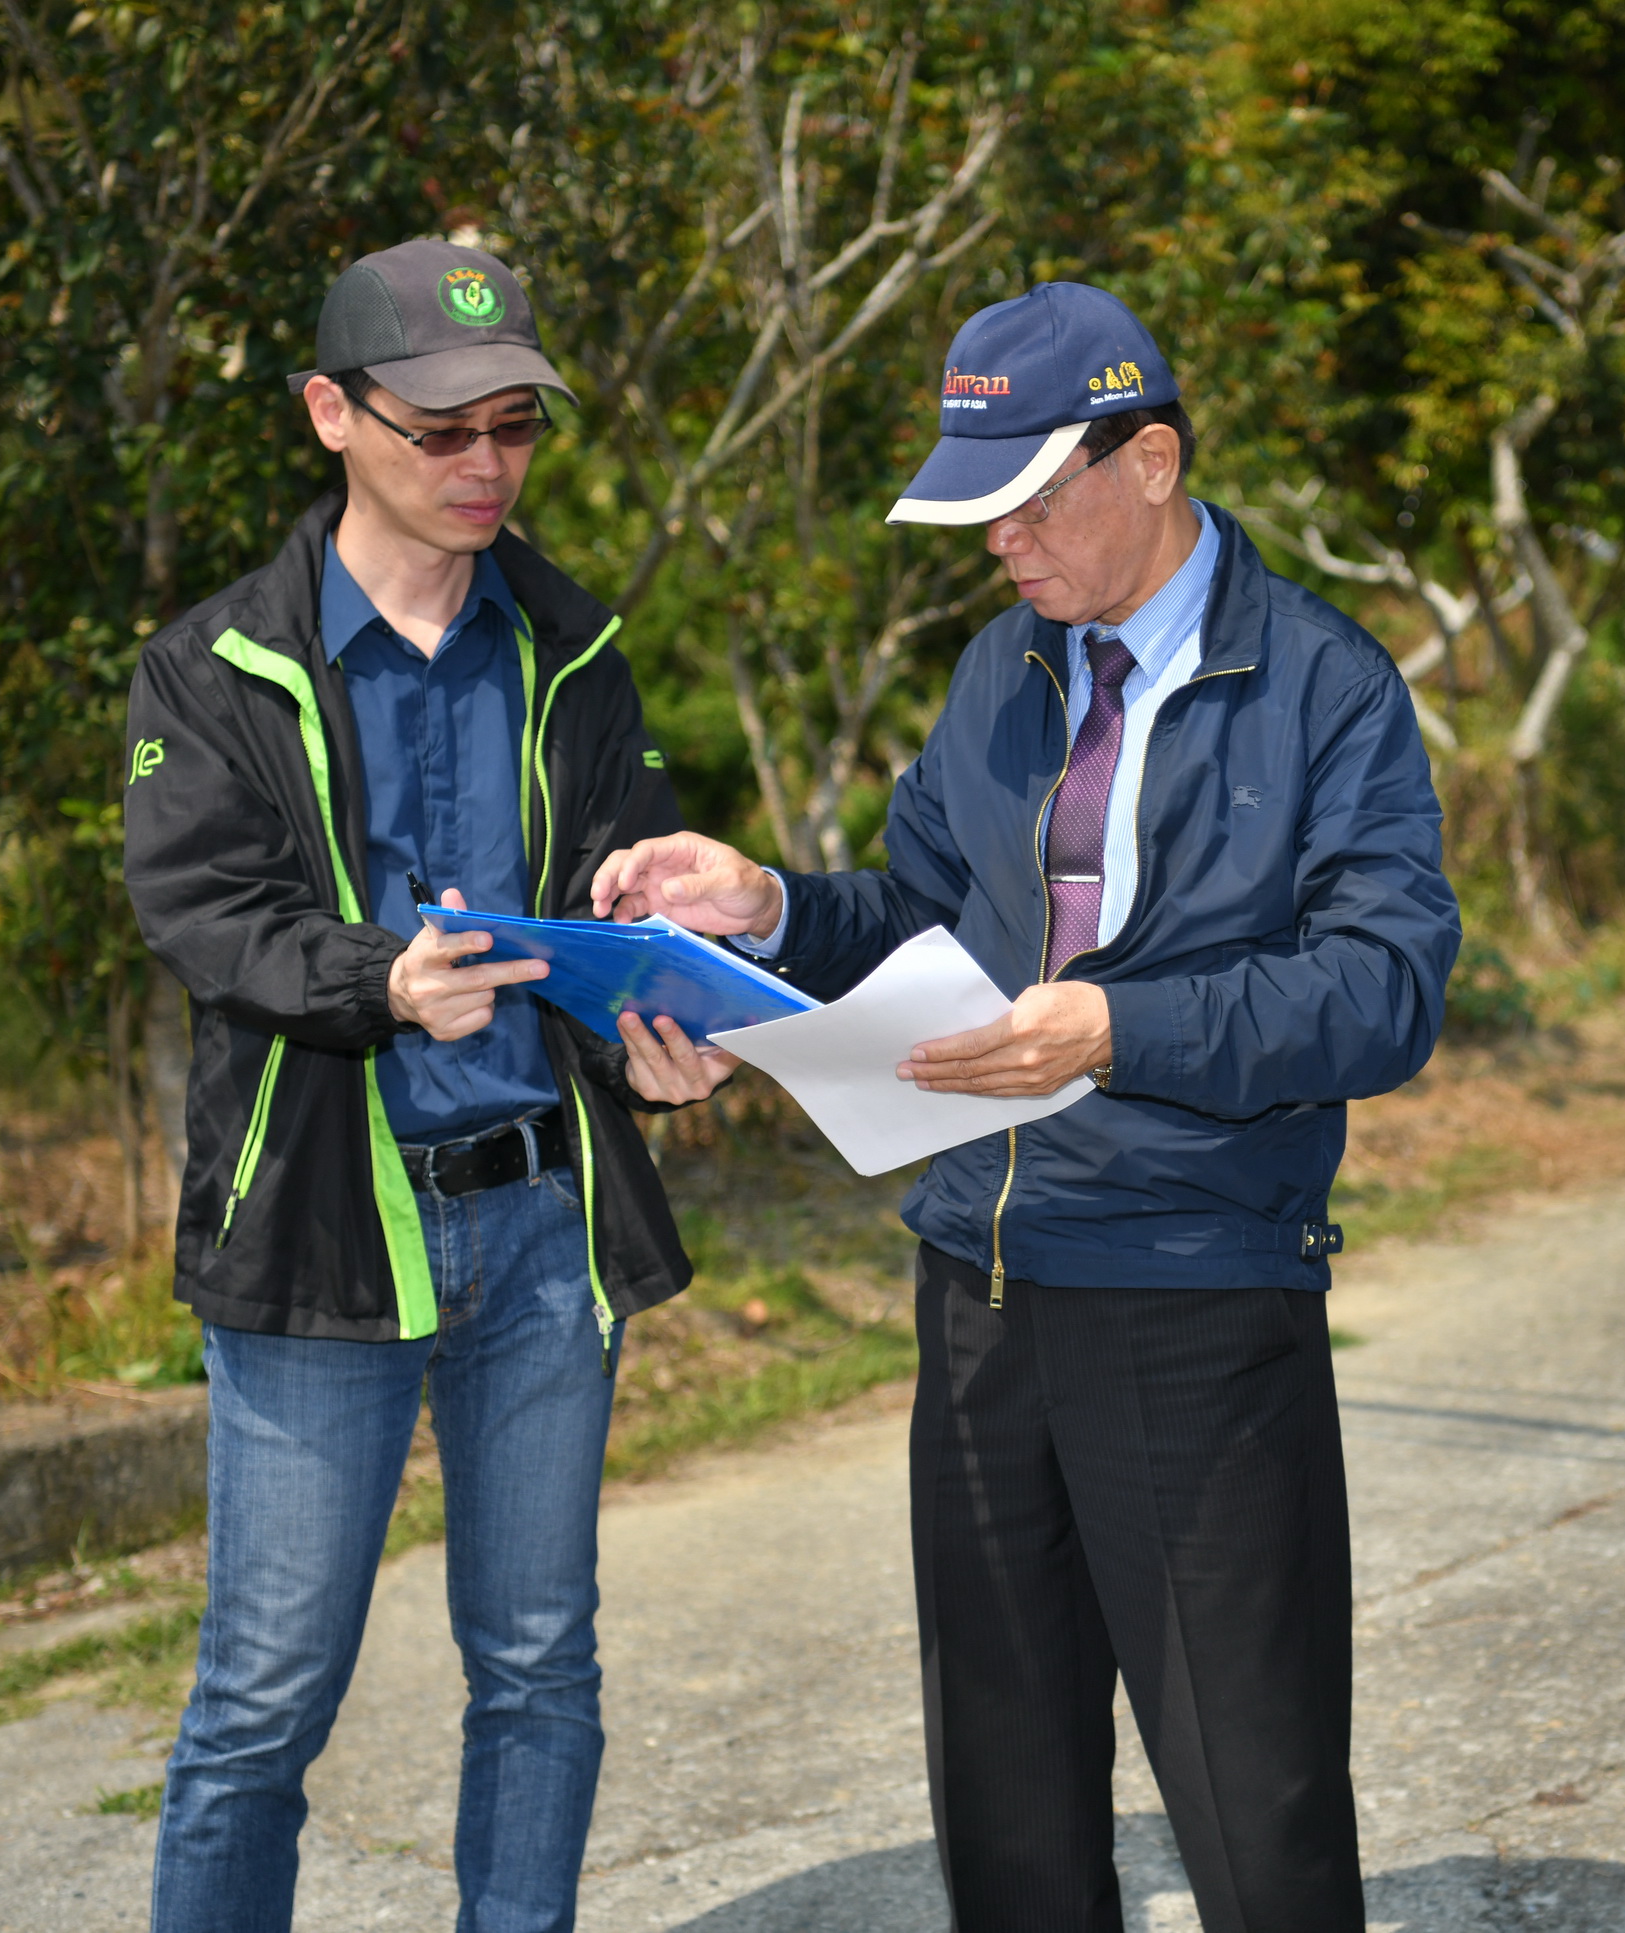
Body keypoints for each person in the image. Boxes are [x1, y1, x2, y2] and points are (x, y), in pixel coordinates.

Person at [590, 280, 1459, 1931]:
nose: (996, 542)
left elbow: (1386, 989)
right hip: (978, 1296)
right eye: (972, 502)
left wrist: (1114, 1031)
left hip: (1197, 1293)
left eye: (1025, 496)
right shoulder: (1004, 667)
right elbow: (920, 916)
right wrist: (767, 902)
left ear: (1151, 460)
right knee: (1007, 1820)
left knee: (1257, 1816)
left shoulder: (1325, 688)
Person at [122, 239, 726, 1933]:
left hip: (545, 1224)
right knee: (262, 1699)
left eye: (515, 428)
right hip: (328, 1230)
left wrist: (657, 1027)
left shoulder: (570, 642)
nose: (484, 468)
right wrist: (373, 980)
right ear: (331, 412)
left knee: (539, 1663)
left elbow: (615, 879)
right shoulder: (211, 665)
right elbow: (206, 913)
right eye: (440, 429)